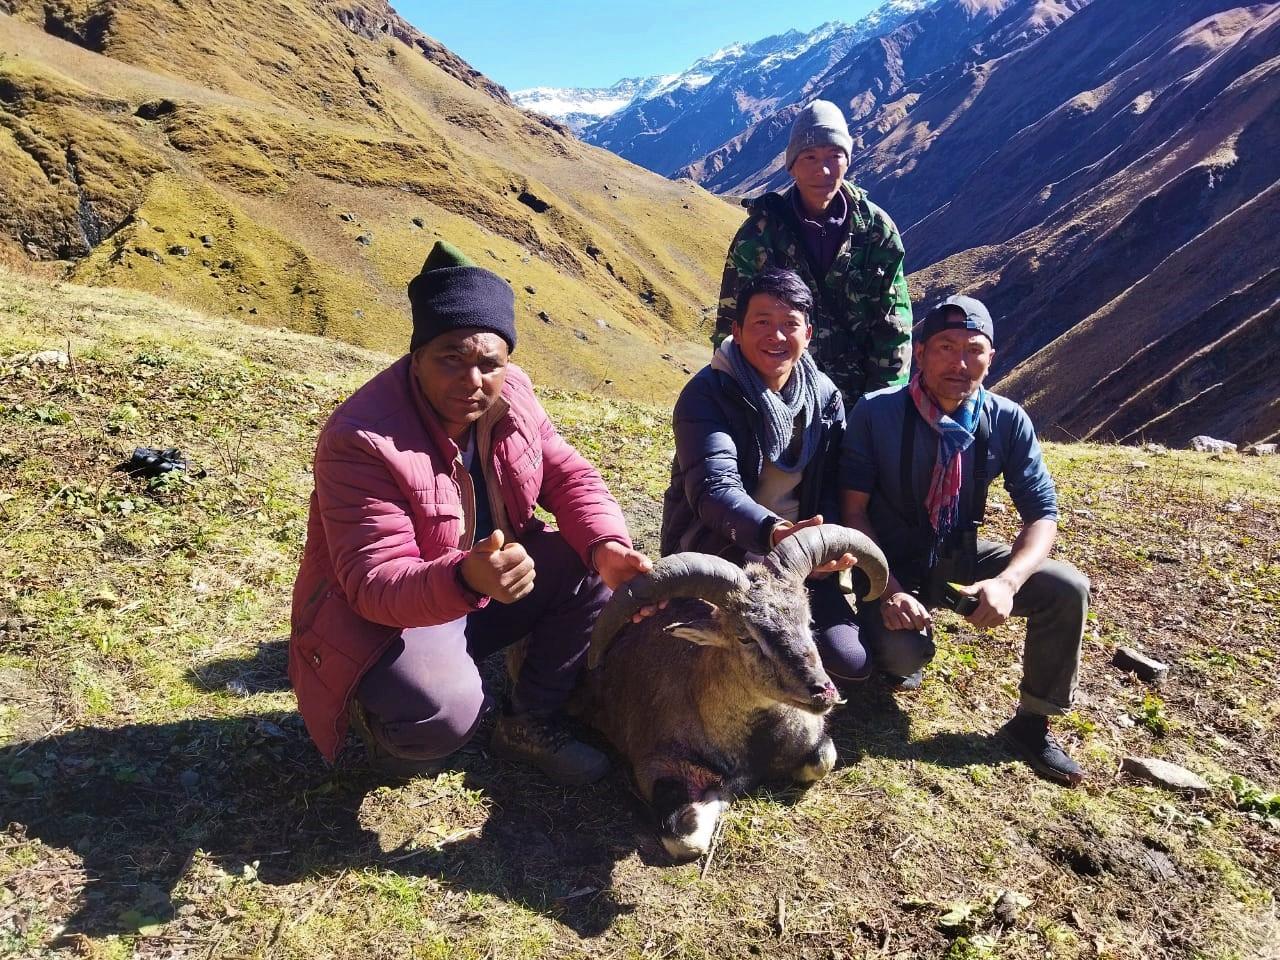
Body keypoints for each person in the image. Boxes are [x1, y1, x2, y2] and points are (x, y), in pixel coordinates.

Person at [289, 241, 653, 786]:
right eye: (451, 359)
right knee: (443, 713)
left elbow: (569, 475)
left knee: (590, 565)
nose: (473, 380)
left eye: (490, 363)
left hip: (485, 583)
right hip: (393, 615)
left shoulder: (515, 395)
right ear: (417, 357)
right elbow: (373, 581)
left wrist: (607, 545)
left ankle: (528, 722)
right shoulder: (362, 439)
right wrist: (465, 577)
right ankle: (383, 721)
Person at [840, 295, 1090, 786]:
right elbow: (853, 512)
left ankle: (1032, 724)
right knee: (902, 655)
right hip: (889, 561)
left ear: (990, 358)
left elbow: (1043, 514)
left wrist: (1008, 582)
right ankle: (897, 651)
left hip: (960, 553)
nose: (959, 363)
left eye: (973, 350)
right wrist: (888, 590)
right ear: (920, 352)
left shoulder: (1007, 420)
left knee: (1066, 588)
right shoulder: (876, 413)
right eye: (945, 347)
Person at [661, 267, 867, 687]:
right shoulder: (706, 394)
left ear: (808, 334)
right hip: (721, 554)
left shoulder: (825, 397)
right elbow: (713, 488)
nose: (776, 336)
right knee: (696, 660)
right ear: (737, 331)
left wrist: (821, 547)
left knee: (850, 661)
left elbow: (830, 485)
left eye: (789, 324)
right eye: (762, 322)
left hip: (799, 559)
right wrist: (773, 534)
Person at [714, 99, 912, 408]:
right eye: (809, 157)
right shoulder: (759, 236)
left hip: (858, 402)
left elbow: (894, 327)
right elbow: (732, 326)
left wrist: (881, 410)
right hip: (778, 398)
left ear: (848, 161)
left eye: (834, 156)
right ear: (791, 165)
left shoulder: (876, 231)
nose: (823, 169)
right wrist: (740, 402)